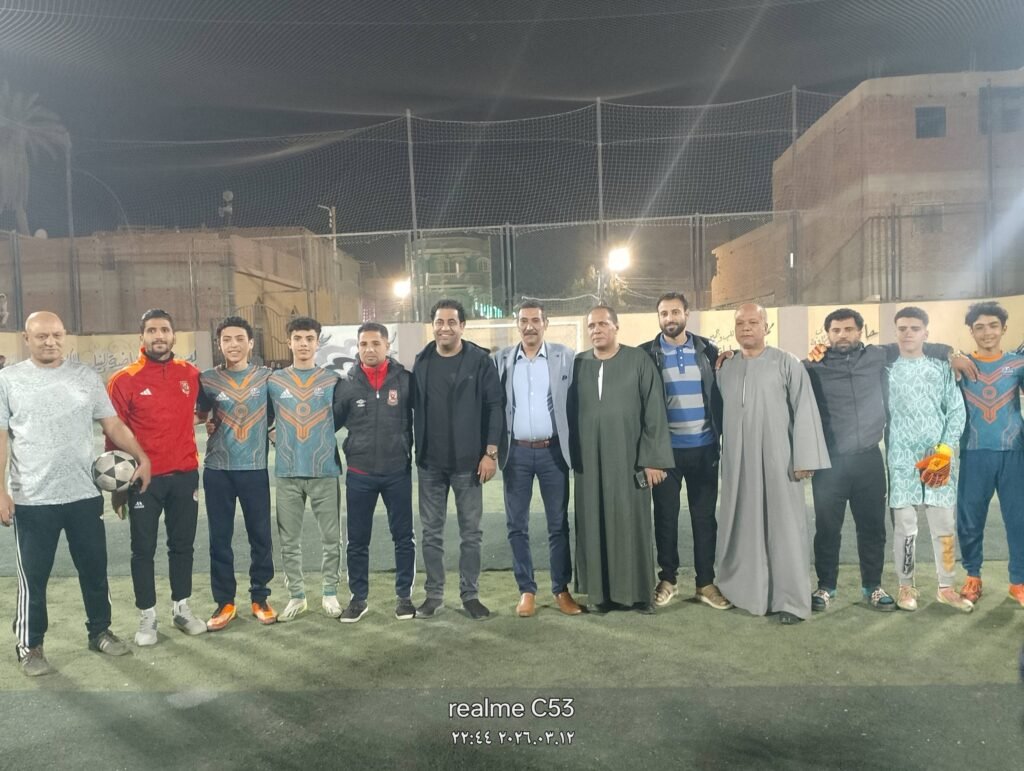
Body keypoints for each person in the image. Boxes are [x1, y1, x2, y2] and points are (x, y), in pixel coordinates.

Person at [0, 312, 151, 675]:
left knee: (94, 569)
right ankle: (30, 645)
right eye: (41, 336)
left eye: (56, 335)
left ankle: (100, 631)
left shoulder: (85, 376)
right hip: (33, 499)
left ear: (64, 335)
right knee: (33, 578)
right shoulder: (8, 380)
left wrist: (142, 457)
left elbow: (112, 424)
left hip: (84, 494)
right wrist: (0, 491)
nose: (50, 342)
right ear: (26, 339)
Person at [803, 309, 952, 613]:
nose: (842, 335)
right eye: (835, 330)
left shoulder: (877, 356)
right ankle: (826, 586)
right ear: (826, 334)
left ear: (860, 331)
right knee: (827, 529)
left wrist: (953, 353)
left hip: (868, 460)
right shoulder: (812, 366)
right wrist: (728, 355)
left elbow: (921, 345)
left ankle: (873, 586)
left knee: (872, 528)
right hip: (829, 463)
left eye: (848, 329)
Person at [716, 303, 830, 624]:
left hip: (780, 461)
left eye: (753, 322)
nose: (746, 328)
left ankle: (790, 602)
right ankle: (747, 593)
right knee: (743, 524)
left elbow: (805, 408)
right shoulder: (726, 368)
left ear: (766, 326)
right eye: (740, 323)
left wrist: (804, 458)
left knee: (785, 530)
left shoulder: (786, 363)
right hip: (739, 463)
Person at [107, 309, 208, 645]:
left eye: (164, 329)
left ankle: (181, 608)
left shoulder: (190, 373)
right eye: (152, 331)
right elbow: (113, 435)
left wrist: (205, 421)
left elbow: (205, 409)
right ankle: (147, 615)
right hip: (143, 480)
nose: (159, 336)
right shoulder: (124, 379)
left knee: (182, 546)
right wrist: (118, 487)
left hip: (185, 475)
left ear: (173, 335)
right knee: (143, 549)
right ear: (142, 337)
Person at [568, 305, 673, 614]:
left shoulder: (638, 360)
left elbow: (654, 410)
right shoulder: (579, 364)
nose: (596, 330)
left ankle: (638, 595)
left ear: (616, 327)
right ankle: (600, 595)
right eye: (592, 326)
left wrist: (653, 459)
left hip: (629, 459)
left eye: (603, 324)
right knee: (593, 520)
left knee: (631, 522)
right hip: (589, 461)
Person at [411, 299, 503, 620]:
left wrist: (490, 453)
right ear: (433, 325)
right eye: (439, 322)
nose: (445, 327)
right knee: (431, 534)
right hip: (430, 465)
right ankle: (434, 595)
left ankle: (470, 595)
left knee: (471, 535)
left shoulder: (480, 361)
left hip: (469, 464)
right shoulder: (422, 361)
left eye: (452, 322)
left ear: (462, 326)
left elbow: (495, 407)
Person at [640, 292, 731, 611]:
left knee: (704, 519)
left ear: (687, 314)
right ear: (658, 318)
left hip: (704, 450)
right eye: (664, 313)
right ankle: (668, 580)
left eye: (675, 312)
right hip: (666, 455)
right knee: (665, 518)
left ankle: (705, 583)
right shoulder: (645, 355)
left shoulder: (709, 351)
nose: (669, 318)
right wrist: (649, 455)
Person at [494, 300, 582, 618]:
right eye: (523, 320)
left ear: (546, 323)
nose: (529, 326)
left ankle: (561, 589)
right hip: (515, 452)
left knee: (558, 525)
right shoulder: (501, 360)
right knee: (516, 525)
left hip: (553, 452)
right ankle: (526, 590)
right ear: (517, 324)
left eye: (535, 320)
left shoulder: (565, 357)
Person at [885, 306, 971, 612]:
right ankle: (906, 586)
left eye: (915, 328)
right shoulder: (886, 370)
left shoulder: (941, 368)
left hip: (938, 455)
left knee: (944, 525)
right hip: (901, 457)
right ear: (896, 332)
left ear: (926, 333)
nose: (908, 333)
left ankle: (946, 587)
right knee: (905, 526)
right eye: (902, 328)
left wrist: (945, 449)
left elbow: (956, 411)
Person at [196, 316, 277, 630]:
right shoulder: (207, 380)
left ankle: (260, 597)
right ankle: (225, 602)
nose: (233, 345)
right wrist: (206, 421)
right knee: (220, 539)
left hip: (254, 469)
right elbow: (199, 414)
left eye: (239, 338)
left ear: (251, 343)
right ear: (219, 344)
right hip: (218, 470)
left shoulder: (267, 378)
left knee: (261, 536)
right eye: (227, 339)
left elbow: (277, 416)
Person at [332, 322, 416, 622]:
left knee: (403, 537)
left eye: (375, 343)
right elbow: (329, 424)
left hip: (397, 471)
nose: (369, 349)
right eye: (364, 344)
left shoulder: (405, 380)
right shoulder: (346, 384)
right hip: (360, 473)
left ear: (387, 345)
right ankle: (358, 599)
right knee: (357, 540)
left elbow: (427, 417)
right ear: (358, 347)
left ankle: (404, 597)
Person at [267, 316, 344, 622]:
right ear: (289, 342)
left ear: (317, 342)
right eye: (298, 338)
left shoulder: (332, 380)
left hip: (325, 470)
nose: (303, 344)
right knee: (289, 541)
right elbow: (261, 416)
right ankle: (297, 596)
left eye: (309, 338)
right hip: (287, 472)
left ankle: (330, 593)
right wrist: (271, 433)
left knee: (331, 538)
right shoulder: (274, 381)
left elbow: (343, 416)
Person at [951, 302, 1024, 606]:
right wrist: (950, 355)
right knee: (970, 519)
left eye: (993, 325)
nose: (987, 332)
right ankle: (973, 576)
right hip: (974, 452)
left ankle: (1018, 581)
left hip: (1013, 453)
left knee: (1019, 519)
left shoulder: (1018, 364)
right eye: (979, 327)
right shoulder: (960, 364)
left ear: (1004, 328)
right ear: (971, 331)